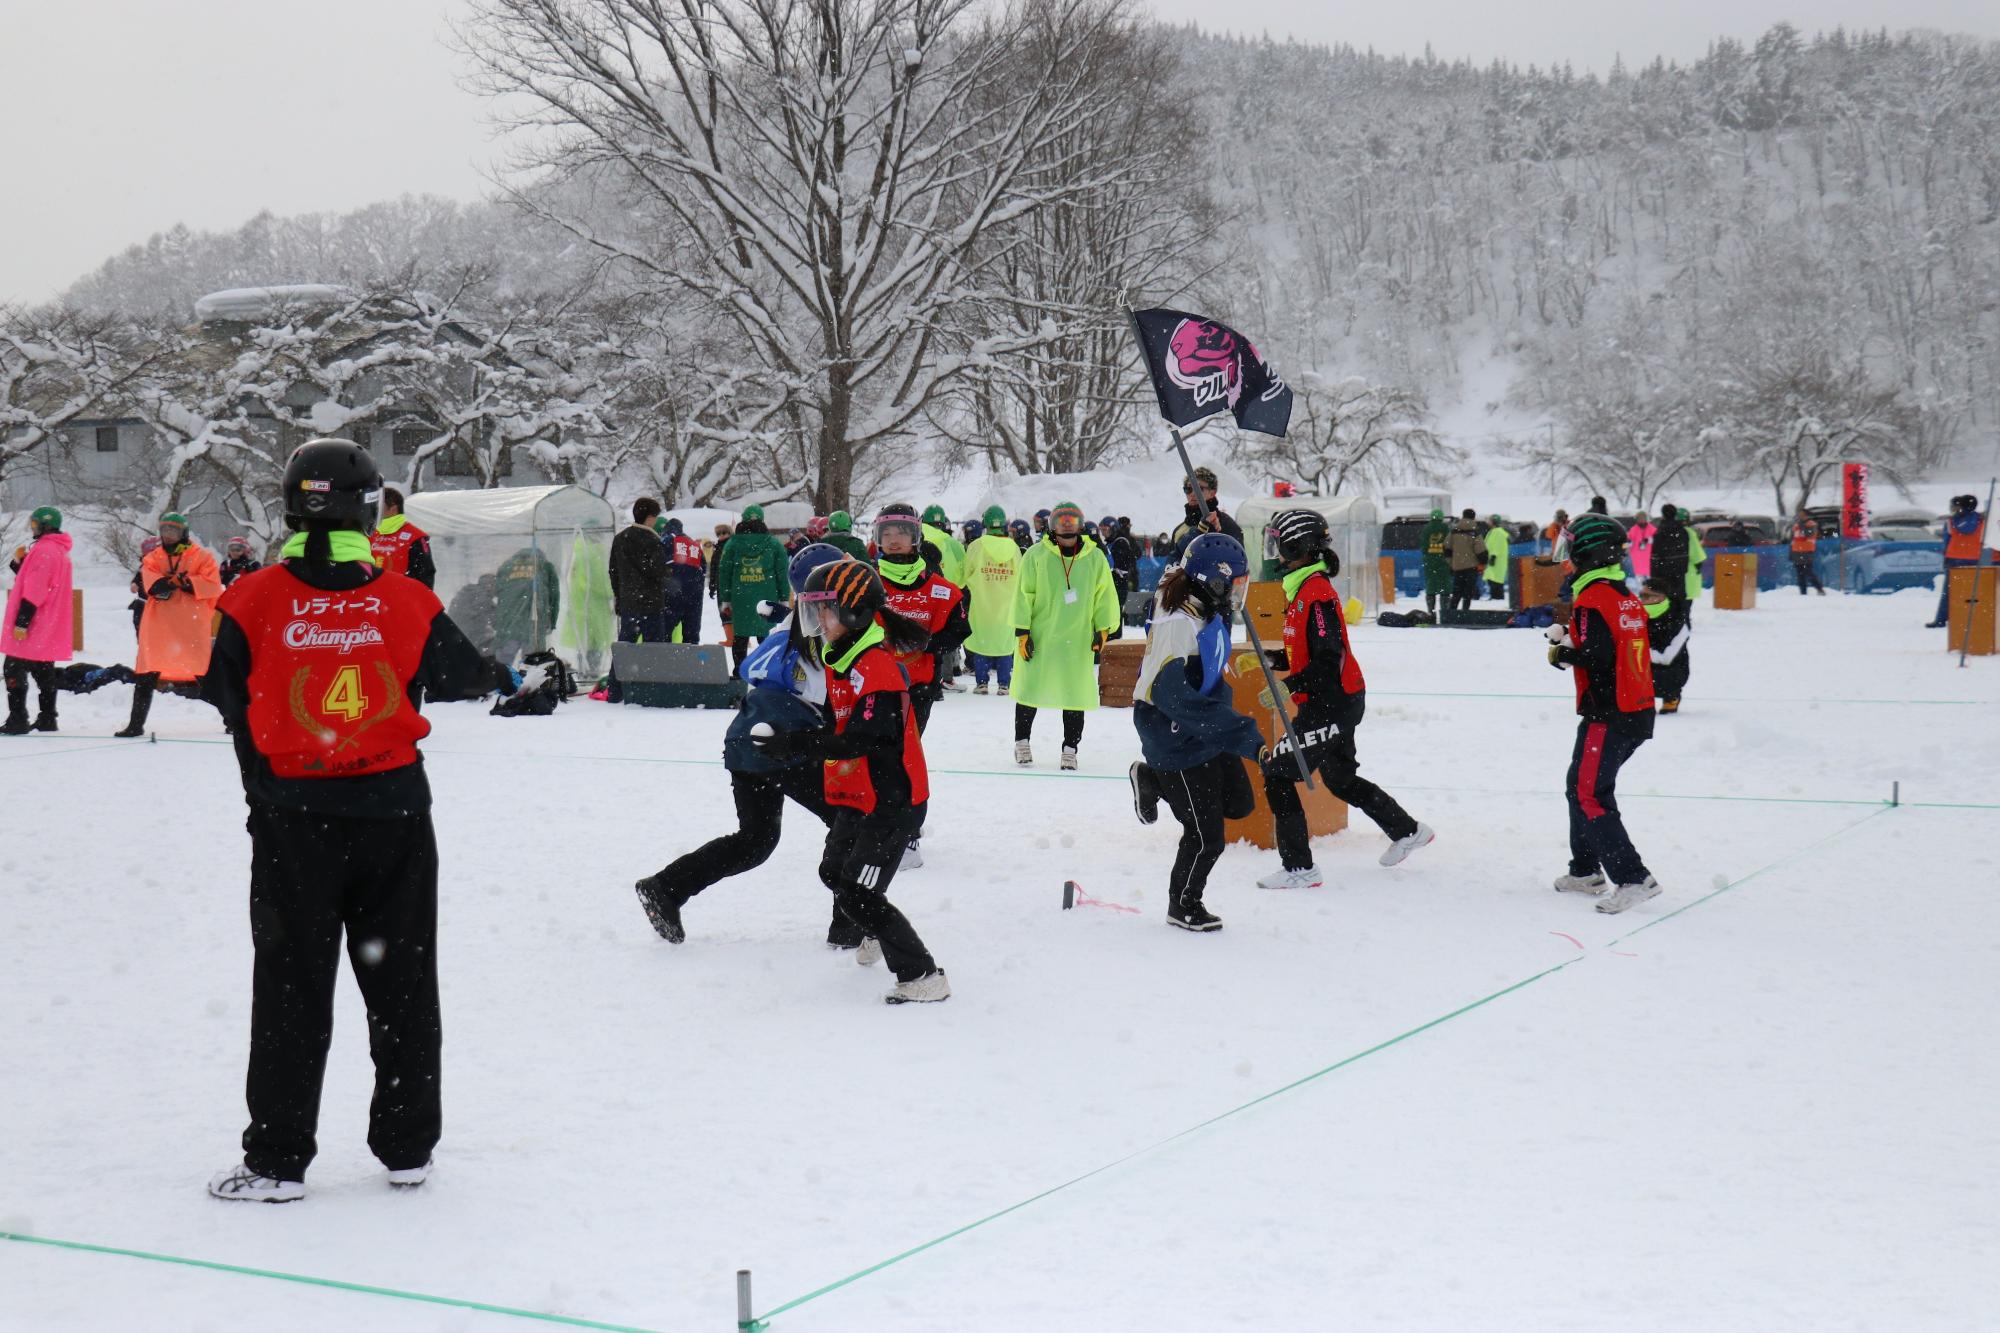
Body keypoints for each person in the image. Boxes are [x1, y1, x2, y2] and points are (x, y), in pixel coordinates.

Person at [202, 438, 516, 1203]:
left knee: (289, 990)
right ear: (370, 509)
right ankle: (407, 1147)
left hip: (292, 821)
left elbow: (222, 692)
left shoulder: (251, 597)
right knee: (403, 985)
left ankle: (278, 1160)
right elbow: (462, 675)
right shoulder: (408, 597)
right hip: (394, 817)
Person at [749, 559, 951, 1003]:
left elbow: (863, 738)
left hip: (892, 801)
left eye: (825, 610)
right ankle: (877, 928)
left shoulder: (875, 667)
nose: (817, 621)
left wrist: (797, 744)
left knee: (858, 893)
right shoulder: (845, 656)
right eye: (814, 610)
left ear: (855, 613)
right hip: (860, 794)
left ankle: (922, 976)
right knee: (834, 872)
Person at [634, 543, 846, 945]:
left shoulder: (801, 630)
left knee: (756, 841)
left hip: (750, 743)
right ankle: (851, 924)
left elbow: (759, 666)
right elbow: (805, 684)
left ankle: (667, 887)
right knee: (848, 821)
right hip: (780, 745)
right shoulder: (816, 637)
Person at [1254, 510, 1433, 890]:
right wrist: (1271, 659)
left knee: (1277, 776)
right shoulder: (1302, 589)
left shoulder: (1316, 593)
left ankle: (1299, 869)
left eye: (1278, 543)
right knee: (1340, 779)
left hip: (1330, 704)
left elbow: (1327, 660)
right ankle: (1407, 830)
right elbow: (1310, 652)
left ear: (1297, 546)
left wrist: (1288, 685)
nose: (1275, 553)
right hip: (1336, 700)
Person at [1126, 534, 1267, 932]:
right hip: (1172, 728)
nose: (1238, 593)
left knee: (1239, 803)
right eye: (1234, 585)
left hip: (1202, 717)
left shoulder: (1198, 595)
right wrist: (1248, 739)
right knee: (1206, 837)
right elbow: (1177, 701)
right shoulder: (1178, 626)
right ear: (1213, 582)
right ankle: (1183, 905)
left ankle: (1151, 779)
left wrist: (1207, 526)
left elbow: (1186, 558)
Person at [1543, 513, 1660, 915]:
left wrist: (1563, 652)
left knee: (1590, 793)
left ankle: (1632, 878)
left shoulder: (1592, 598)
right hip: (1635, 708)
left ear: (1589, 553)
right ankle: (1585, 871)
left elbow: (1598, 657)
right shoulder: (1620, 594)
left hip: (1610, 713)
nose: (1567, 562)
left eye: (1571, 552)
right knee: (1579, 784)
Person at [1013, 501, 1120, 770]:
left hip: (1077, 639)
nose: (1067, 526)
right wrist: (1023, 631)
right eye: (1062, 521)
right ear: (1052, 526)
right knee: (1029, 690)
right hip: (1041, 636)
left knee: (1075, 695)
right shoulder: (1036, 555)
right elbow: (1024, 594)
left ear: (1081, 525)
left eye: (1072, 521)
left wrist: (1103, 628)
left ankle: (1070, 748)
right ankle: (1021, 742)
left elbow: (1104, 595)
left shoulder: (1095, 558)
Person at [119, 512, 223, 738]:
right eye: (164, 531)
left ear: (183, 533)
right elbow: (154, 587)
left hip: (190, 625)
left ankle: (233, 721)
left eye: (173, 531)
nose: (168, 535)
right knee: (146, 674)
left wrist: (186, 583)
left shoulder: (202, 557)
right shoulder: (153, 558)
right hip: (159, 626)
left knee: (204, 674)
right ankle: (135, 725)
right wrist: (177, 582)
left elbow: (213, 586)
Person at [3, 506, 73, 735]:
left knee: (13, 667)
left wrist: (22, 622)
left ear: (45, 525)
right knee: (43, 669)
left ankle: (18, 719)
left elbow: (35, 590)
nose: (32, 528)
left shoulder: (44, 551)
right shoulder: (56, 550)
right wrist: (21, 564)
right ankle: (47, 717)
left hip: (35, 619)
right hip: (48, 620)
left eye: (34, 524)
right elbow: (38, 579)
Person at [715, 503, 789, 668]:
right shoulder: (773, 544)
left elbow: (724, 573)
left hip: (740, 598)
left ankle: (740, 671)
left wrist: (726, 599)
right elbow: (782, 573)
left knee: (740, 636)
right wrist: (784, 598)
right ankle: (766, 671)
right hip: (767, 597)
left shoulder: (732, 544)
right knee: (766, 636)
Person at [963, 506, 1022, 695]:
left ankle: (982, 683)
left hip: (982, 603)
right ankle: (1004, 684)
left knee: (982, 641)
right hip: (1006, 604)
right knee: (1005, 643)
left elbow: (966, 572)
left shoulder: (976, 546)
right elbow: (1021, 575)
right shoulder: (1013, 548)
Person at [609, 497, 669, 646]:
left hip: (628, 602)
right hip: (651, 604)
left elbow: (613, 571)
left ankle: (618, 670)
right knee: (654, 651)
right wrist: (667, 571)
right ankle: (651, 670)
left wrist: (619, 596)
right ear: (649, 518)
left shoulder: (620, 538)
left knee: (625, 649)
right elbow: (656, 571)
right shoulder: (654, 541)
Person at [1929, 494, 1987, 628]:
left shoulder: (1951, 522)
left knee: (1949, 591)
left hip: (1955, 558)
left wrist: (1946, 556)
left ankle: (1941, 619)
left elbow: (1946, 541)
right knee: (1975, 590)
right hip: (1975, 558)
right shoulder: (1982, 521)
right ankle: (1975, 617)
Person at [1640, 576, 1690, 714]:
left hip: (1671, 672)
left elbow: (1666, 658)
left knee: (1665, 677)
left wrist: (1637, 652)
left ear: (1661, 597)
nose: (1641, 600)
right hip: (1644, 666)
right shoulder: (1637, 616)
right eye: (1640, 595)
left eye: (1646, 596)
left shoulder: (1678, 621)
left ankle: (1671, 697)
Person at [1170, 467, 1245, 560]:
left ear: (1212, 493)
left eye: (1199, 489)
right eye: (1188, 489)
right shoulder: (1179, 531)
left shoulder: (1228, 525)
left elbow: (1238, 564)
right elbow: (1172, 568)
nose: (1193, 493)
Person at [369, 487, 435, 589]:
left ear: (393, 509)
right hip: (373, 599)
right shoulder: (370, 534)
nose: (375, 510)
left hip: (401, 598)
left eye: (379, 506)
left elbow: (426, 575)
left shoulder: (416, 537)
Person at [660, 517, 707, 644]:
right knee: (691, 635)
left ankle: (665, 661)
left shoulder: (667, 541)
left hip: (672, 594)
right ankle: (690, 662)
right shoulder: (695, 546)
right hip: (694, 597)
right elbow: (704, 570)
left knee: (664, 632)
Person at [1651, 504, 1690, 621]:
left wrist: (1654, 573)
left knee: (1664, 599)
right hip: (1679, 571)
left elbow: (1655, 554)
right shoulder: (1683, 531)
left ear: (1663, 515)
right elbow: (1686, 552)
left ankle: (1666, 620)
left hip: (1662, 572)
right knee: (1679, 598)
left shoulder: (1659, 531)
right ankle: (1681, 619)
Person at [1446, 508, 1482, 612]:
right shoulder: (1475, 532)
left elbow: (1446, 548)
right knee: (1468, 593)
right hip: (1471, 567)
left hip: (1457, 567)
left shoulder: (1454, 531)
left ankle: (1452, 613)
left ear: (1463, 516)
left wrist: (1451, 563)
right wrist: (1483, 562)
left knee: (1456, 592)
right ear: (1474, 517)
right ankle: (1465, 613)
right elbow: (1481, 550)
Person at [1788, 508, 1826, 596]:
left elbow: (1807, 534)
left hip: (1806, 552)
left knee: (1808, 572)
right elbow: (1793, 539)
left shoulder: (1811, 524)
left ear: (1806, 515)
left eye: (1802, 514)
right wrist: (1791, 553)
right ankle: (1803, 593)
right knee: (1800, 574)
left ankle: (1819, 588)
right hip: (1797, 552)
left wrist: (1802, 525)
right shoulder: (1796, 525)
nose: (1800, 516)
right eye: (1799, 514)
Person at [1420, 508, 1450, 616]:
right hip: (1443, 562)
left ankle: (1431, 612)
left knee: (1431, 586)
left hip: (1430, 562)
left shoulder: (1426, 529)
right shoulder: (1446, 528)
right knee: (1445, 587)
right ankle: (1445, 613)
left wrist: (1430, 554)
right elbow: (1450, 545)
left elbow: (1423, 547)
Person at [1482, 514, 1510, 602]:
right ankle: (1495, 597)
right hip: (1494, 560)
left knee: (1496, 580)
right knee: (1493, 579)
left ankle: (1497, 597)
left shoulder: (1498, 532)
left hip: (1497, 561)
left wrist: (1493, 556)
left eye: (1489, 520)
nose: (1488, 522)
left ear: (1493, 522)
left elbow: (1497, 545)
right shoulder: (1494, 531)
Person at [1627, 511, 1656, 581]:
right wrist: (1628, 543)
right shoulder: (1633, 530)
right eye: (1639, 519)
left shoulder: (1653, 529)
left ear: (1646, 519)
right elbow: (1627, 543)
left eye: (1643, 518)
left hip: (1648, 561)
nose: (1641, 520)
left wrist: (1649, 540)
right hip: (1636, 562)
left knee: (1649, 584)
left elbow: (1657, 540)